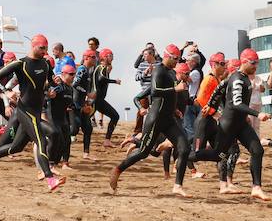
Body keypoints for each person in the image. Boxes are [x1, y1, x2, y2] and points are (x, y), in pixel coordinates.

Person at [0, 35, 65, 191]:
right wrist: (6, 92)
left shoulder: (46, 63)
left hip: (36, 110)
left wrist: (52, 89)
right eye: (42, 48)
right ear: (33, 46)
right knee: (42, 140)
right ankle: (49, 178)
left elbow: (49, 83)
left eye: (46, 48)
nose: (45, 51)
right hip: (24, 110)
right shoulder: (20, 64)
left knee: (16, 147)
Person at [110, 44, 192, 198]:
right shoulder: (159, 70)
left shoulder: (172, 73)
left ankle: (177, 186)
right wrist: (175, 90)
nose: (176, 61)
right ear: (166, 56)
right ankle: (118, 169)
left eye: (178, 59)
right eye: (174, 58)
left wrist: (174, 108)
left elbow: (169, 95)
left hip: (169, 119)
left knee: (185, 148)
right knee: (145, 152)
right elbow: (154, 91)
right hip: (155, 119)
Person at [190, 49, 271, 202]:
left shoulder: (243, 77)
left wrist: (211, 104)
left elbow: (219, 88)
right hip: (229, 125)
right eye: (253, 63)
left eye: (257, 63)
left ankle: (256, 187)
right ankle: (186, 156)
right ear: (244, 62)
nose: (256, 66)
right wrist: (256, 114)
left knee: (257, 150)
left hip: (241, 124)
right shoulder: (238, 80)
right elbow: (236, 103)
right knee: (217, 155)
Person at [72, 49, 98, 159]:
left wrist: (86, 100)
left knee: (88, 128)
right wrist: (87, 93)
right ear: (86, 57)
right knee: (74, 129)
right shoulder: (82, 69)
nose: (95, 59)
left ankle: (86, 153)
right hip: (75, 104)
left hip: (82, 104)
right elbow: (75, 84)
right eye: (93, 57)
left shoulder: (87, 70)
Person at [93, 48, 121, 147]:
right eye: (110, 55)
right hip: (95, 100)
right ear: (104, 57)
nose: (112, 58)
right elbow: (100, 78)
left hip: (99, 101)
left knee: (115, 116)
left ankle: (107, 140)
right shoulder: (101, 67)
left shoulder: (104, 68)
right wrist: (115, 81)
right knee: (80, 123)